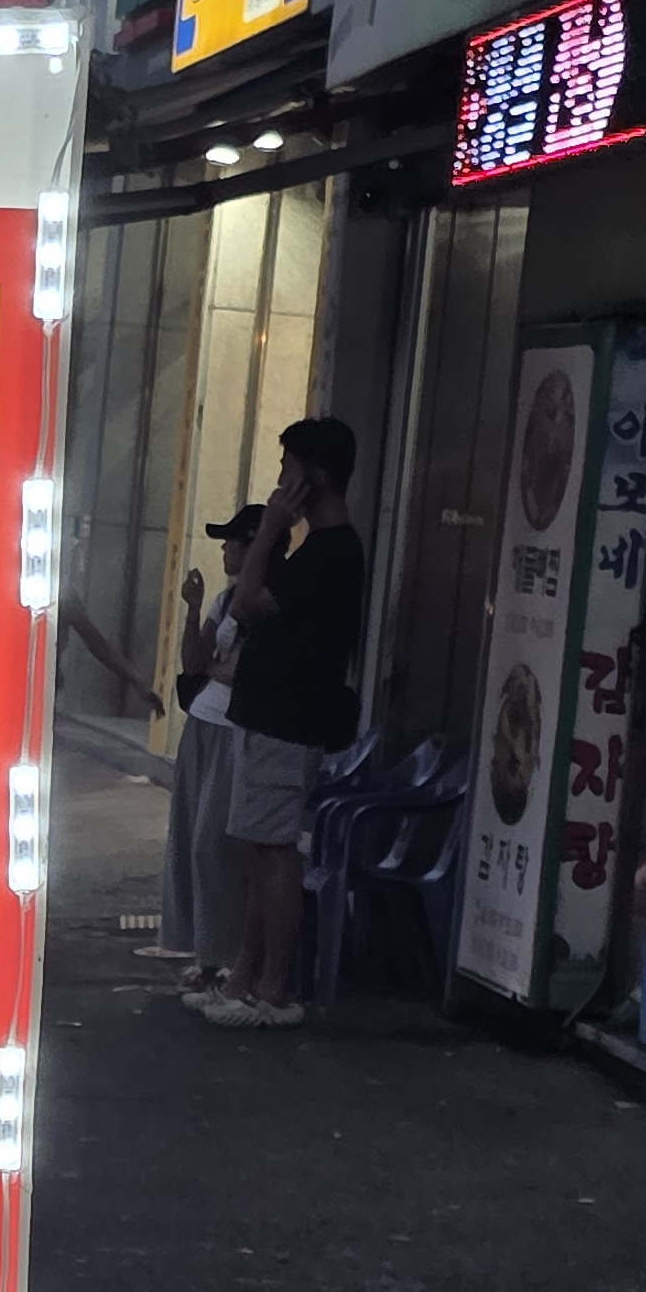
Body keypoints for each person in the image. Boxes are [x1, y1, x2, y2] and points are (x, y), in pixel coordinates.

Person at [202, 415, 368, 1029]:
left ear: (313, 478)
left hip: (288, 717)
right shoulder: (318, 550)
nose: (278, 482)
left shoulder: (331, 552)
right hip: (269, 713)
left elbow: (247, 604)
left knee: (274, 851)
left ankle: (274, 990)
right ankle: (245, 977)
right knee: (257, 847)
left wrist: (272, 527)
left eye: (287, 469)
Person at [161, 509, 254, 993]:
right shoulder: (226, 598)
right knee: (187, 836)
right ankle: (203, 951)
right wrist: (195, 609)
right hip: (203, 720)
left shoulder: (264, 603)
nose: (224, 550)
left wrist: (219, 668)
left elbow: (244, 673)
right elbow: (198, 662)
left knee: (211, 843)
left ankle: (225, 953)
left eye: (232, 542)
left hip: (233, 729)